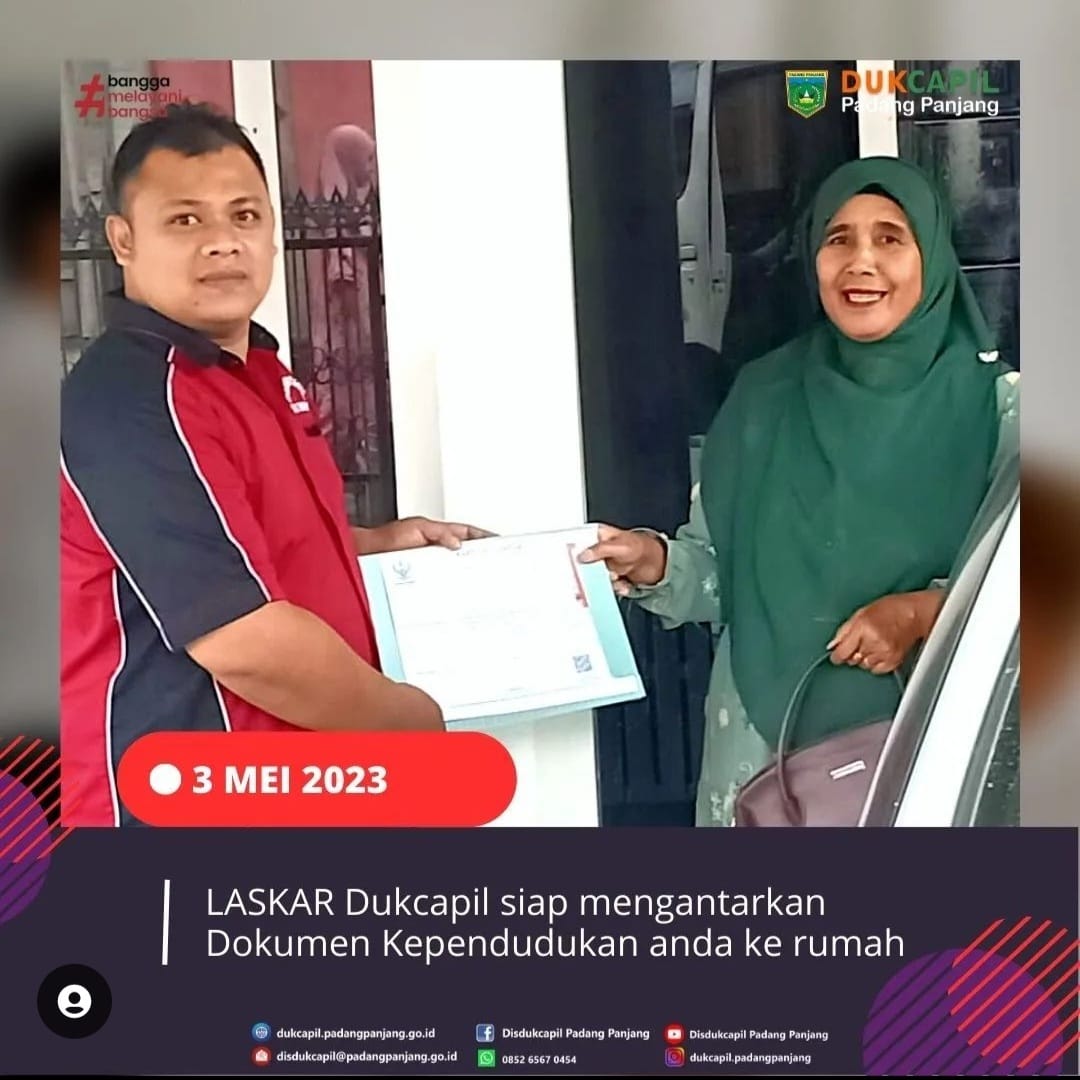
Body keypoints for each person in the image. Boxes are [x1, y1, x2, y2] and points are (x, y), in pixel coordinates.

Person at [60, 103, 487, 827]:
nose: (223, 243)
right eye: (185, 220)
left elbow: (237, 539)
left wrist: (370, 544)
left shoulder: (254, 369)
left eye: (245, 216)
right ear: (123, 240)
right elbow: (242, 640)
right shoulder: (133, 397)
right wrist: (407, 721)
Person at [580, 156, 1020, 827]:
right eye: (838, 239)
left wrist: (921, 614)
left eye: (890, 238)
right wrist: (655, 562)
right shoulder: (765, 398)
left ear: (931, 257)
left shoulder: (999, 411)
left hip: (930, 759)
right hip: (761, 762)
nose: (861, 262)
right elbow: (721, 575)